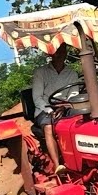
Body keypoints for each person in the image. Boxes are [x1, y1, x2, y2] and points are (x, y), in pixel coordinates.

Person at [31, 44, 80, 173]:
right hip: (44, 109)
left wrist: (64, 106)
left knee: (81, 120)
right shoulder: (41, 73)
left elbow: (73, 95)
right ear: (51, 54)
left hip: (65, 107)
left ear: (65, 54)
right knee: (49, 126)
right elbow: (37, 98)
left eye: (61, 52)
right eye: (56, 52)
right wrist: (50, 111)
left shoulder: (72, 73)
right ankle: (59, 165)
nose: (58, 55)